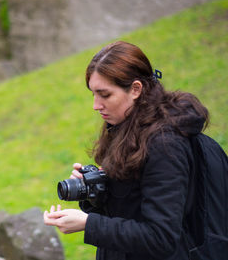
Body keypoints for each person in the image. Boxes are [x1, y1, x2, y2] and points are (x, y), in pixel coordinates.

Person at [43, 41, 221, 260]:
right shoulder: (126, 127)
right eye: (93, 95)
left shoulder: (166, 147)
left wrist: (89, 224)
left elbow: (161, 237)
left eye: (105, 95)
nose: (96, 105)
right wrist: (95, 194)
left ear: (136, 89)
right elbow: (129, 209)